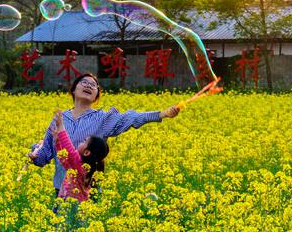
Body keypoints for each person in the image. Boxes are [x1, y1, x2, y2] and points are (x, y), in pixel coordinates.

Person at [28, 72, 180, 200]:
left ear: (96, 96)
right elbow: (44, 155)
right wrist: (35, 153)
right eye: (84, 82)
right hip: (61, 190)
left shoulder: (104, 119)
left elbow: (131, 117)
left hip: (88, 191)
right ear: (73, 90)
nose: (88, 85)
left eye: (93, 85)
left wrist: (162, 114)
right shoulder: (59, 120)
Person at [50, 110, 107, 204]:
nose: (81, 142)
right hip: (65, 201)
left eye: (84, 141)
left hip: (74, 207)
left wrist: (61, 127)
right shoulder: (79, 167)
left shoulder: (81, 166)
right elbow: (64, 160)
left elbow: (69, 150)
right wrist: (57, 143)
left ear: (87, 152)